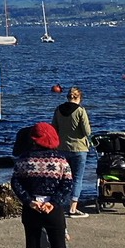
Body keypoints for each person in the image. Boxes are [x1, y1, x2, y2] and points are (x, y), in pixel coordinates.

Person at [11, 122, 75, 248]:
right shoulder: (61, 161)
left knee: (32, 247)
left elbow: (16, 183)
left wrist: (29, 200)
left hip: (32, 208)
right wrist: (53, 202)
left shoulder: (24, 160)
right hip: (53, 209)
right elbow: (67, 185)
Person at [52, 86, 93, 218]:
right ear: (79, 98)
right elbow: (87, 132)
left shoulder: (58, 110)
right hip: (79, 148)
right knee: (77, 178)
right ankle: (73, 208)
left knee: (62, 178)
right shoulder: (80, 111)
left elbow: (53, 128)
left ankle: (58, 204)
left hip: (62, 148)